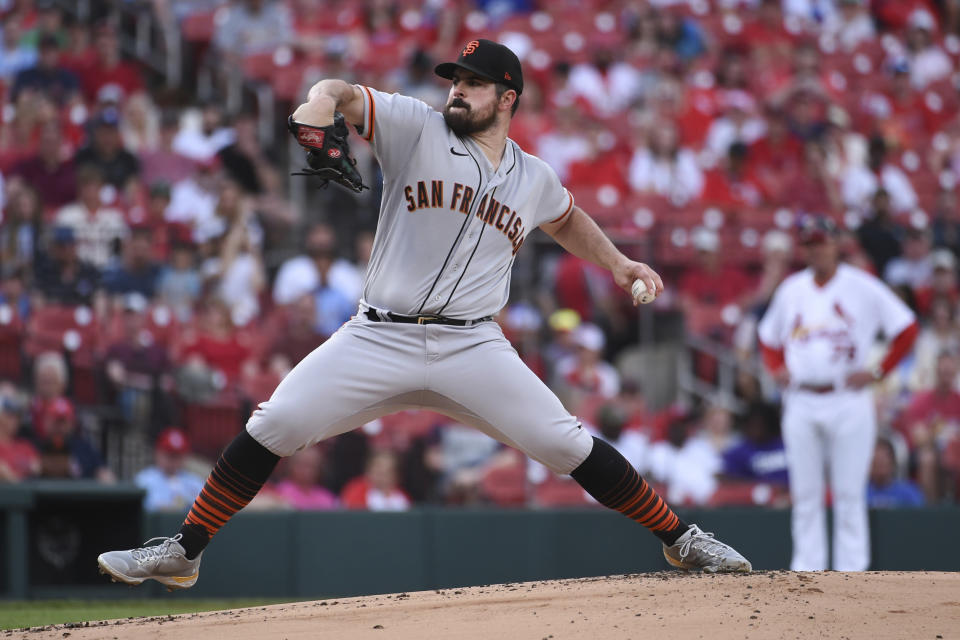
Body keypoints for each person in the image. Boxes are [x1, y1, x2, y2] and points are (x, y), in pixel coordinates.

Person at [97, 38, 750, 591]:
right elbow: (342, 92)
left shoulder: (534, 176)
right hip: (379, 335)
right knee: (278, 421)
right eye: (456, 80)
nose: (458, 91)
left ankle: (680, 538)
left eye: (475, 83)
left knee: (565, 442)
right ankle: (184, 552)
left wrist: (619, 264)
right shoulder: (416, 127)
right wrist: (319, 106)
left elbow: (567, 218)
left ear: (508, 99)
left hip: (474, 347)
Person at [758, 217, 918, 571]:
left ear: (835, 244)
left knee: (848, 494)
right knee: (806, 495)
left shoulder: (861, 286)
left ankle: (852, 575)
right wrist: (776, 368)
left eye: (822, 242)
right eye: (810, 243)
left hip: (847, 397)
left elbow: (906, 328)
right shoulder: (792, 289)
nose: (817, 248)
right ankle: (806, 572)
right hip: (801, 398)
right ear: (805, 249)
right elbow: (768, 338)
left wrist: (878, 371)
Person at [135, 427, 205, 512]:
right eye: (169, 455)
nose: (173, 461)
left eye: (177, 456)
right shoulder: (144, 480)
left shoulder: (194, 482)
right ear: (158, 453)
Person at [866, 438, 925, 508]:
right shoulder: (861, 493)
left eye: (883, 461)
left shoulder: (909, 492)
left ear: (892, 462)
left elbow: (921, 515)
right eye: (876, 462)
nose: (879, 466)